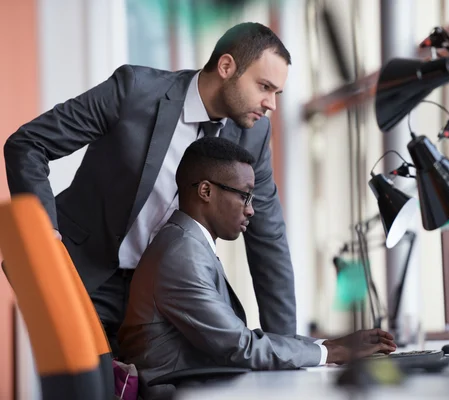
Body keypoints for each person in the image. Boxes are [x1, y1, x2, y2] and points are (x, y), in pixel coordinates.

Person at [4, 22, 299, 352]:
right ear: (226, 66)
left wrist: (288, 349)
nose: (271, 103)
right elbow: (28, 144)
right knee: (89, 387)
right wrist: (44, 234)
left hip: (166, 297)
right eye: (264, 87)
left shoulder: (253, 134)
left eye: (277, 93)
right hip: (87, 277)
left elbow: (267, 237)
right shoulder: (134, 91)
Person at [118, 137, 397, 400]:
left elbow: (238, 341)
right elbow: (241, 347)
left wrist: (326, 345)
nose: (251, 210)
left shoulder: (186, 244)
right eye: (245, 196)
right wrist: (332, 352)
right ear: (206, 191)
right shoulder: (182, 254)